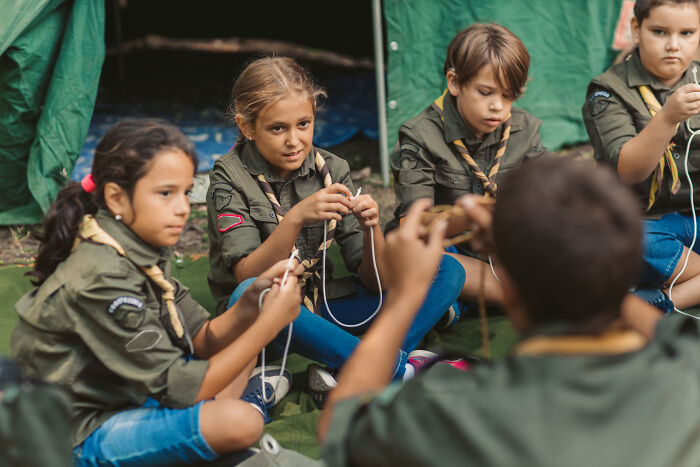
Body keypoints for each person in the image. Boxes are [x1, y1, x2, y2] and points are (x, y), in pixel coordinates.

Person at [317, 157, 700, 466]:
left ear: (509, 288)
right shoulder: (688, 364)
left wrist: (407, 295)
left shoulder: (464, 408)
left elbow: (341, 429)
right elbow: (655, 325)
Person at [10, 119, 304, 466]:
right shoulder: (101, 276)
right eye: (166, 193)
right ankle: (240, 413)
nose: (182, 207)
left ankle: (210, 427)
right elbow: (184, 388)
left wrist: (252, 304)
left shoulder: (136, 247)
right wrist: (267, 325)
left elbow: (202, 338)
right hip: (73, 435)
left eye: (185, 192)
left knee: (239, 342)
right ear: (116, 198)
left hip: (126, 396)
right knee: (242, 421)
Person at [206, 57, 466, 406]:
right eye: (277, 128)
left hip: (325, 306)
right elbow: (248, 276)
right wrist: (295, 219)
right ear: (247, 127)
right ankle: (390, 368)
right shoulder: (229, 177)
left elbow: (376, 281)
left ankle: (346, 366)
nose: (294, 141)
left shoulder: (332, 169)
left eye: (304, 124)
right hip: (264, 320)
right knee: (248, 294)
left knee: (446, 267)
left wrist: (371, 228)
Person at [388, 23, 551, 322]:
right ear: (454, 82)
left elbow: (553, 190)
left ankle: (460, 303)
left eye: (509, 95)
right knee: (429, 263)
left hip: (501, 254)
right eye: (485, 92)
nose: (498, 107)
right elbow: (413, 226)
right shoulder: (420, 134)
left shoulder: (525, 129)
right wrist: (477, 215)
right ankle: (496, 297)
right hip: (447, 255)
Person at [582, 0, 700, 312]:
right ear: (636, 30)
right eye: (659, 32)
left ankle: (661, 300)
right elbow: (629, 171)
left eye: (687, 33)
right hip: (643, 223)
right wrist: (667, 117)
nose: (673, 45)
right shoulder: (608, 90)